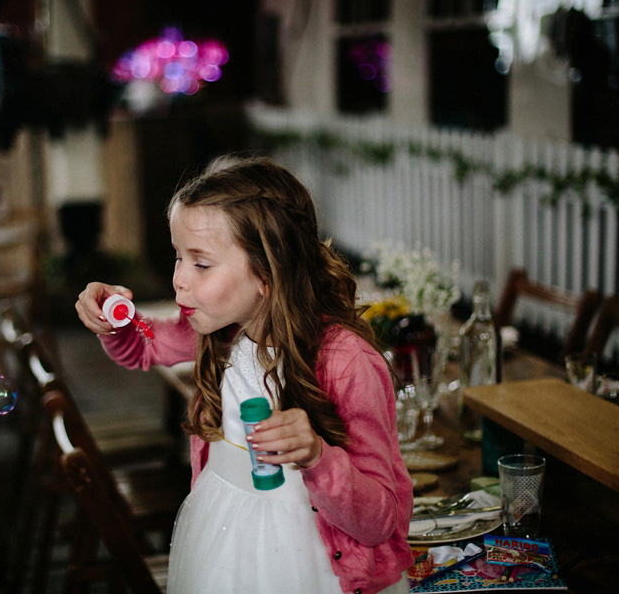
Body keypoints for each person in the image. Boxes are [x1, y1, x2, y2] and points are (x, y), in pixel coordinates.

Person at [75, 156, 413, 594]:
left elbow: (380, 521)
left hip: (312, 566)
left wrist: (316, 456)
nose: (178, 281)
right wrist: (112, 320)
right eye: (179, 257)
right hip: (222, 540)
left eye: (201, 263)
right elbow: (143, 346)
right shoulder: (220, 329)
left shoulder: (345, 362)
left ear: (268, 274)